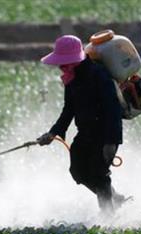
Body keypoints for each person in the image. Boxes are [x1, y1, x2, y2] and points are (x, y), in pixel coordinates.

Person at [37, 35, 127, 214]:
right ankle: (114, 197)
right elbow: (69, 109)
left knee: (98, 172)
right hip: (85, 132)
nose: (62, 67)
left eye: (65, 63)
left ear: (76, 59)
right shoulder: (72, 78)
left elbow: (113, 110)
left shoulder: (99, 76)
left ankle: (108, 215)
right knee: (78, 171)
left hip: (105, 134)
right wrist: (54, 133)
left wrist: (112, 142)